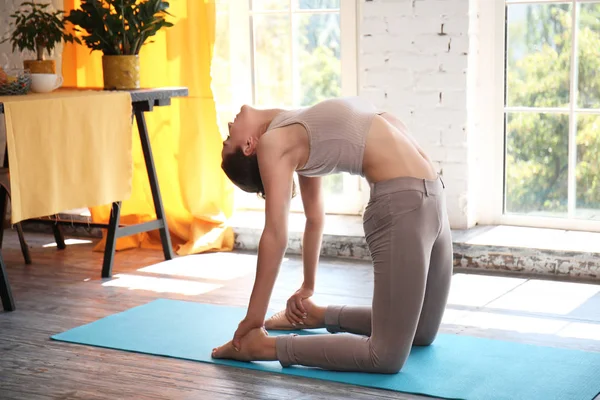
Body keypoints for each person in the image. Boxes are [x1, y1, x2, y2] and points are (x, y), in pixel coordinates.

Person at [211, 96, 453, 373]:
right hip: (404, 205)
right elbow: (275, 233)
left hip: (433, 197)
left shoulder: (296, 127)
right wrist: (254, 320)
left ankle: (317, 315)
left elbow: (314, 219)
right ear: (249, 146)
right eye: (227, 139)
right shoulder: (273, 143)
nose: (229, 125)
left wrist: (308, 286)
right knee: (385, 357)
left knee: (422, 331)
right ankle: (262, 347)